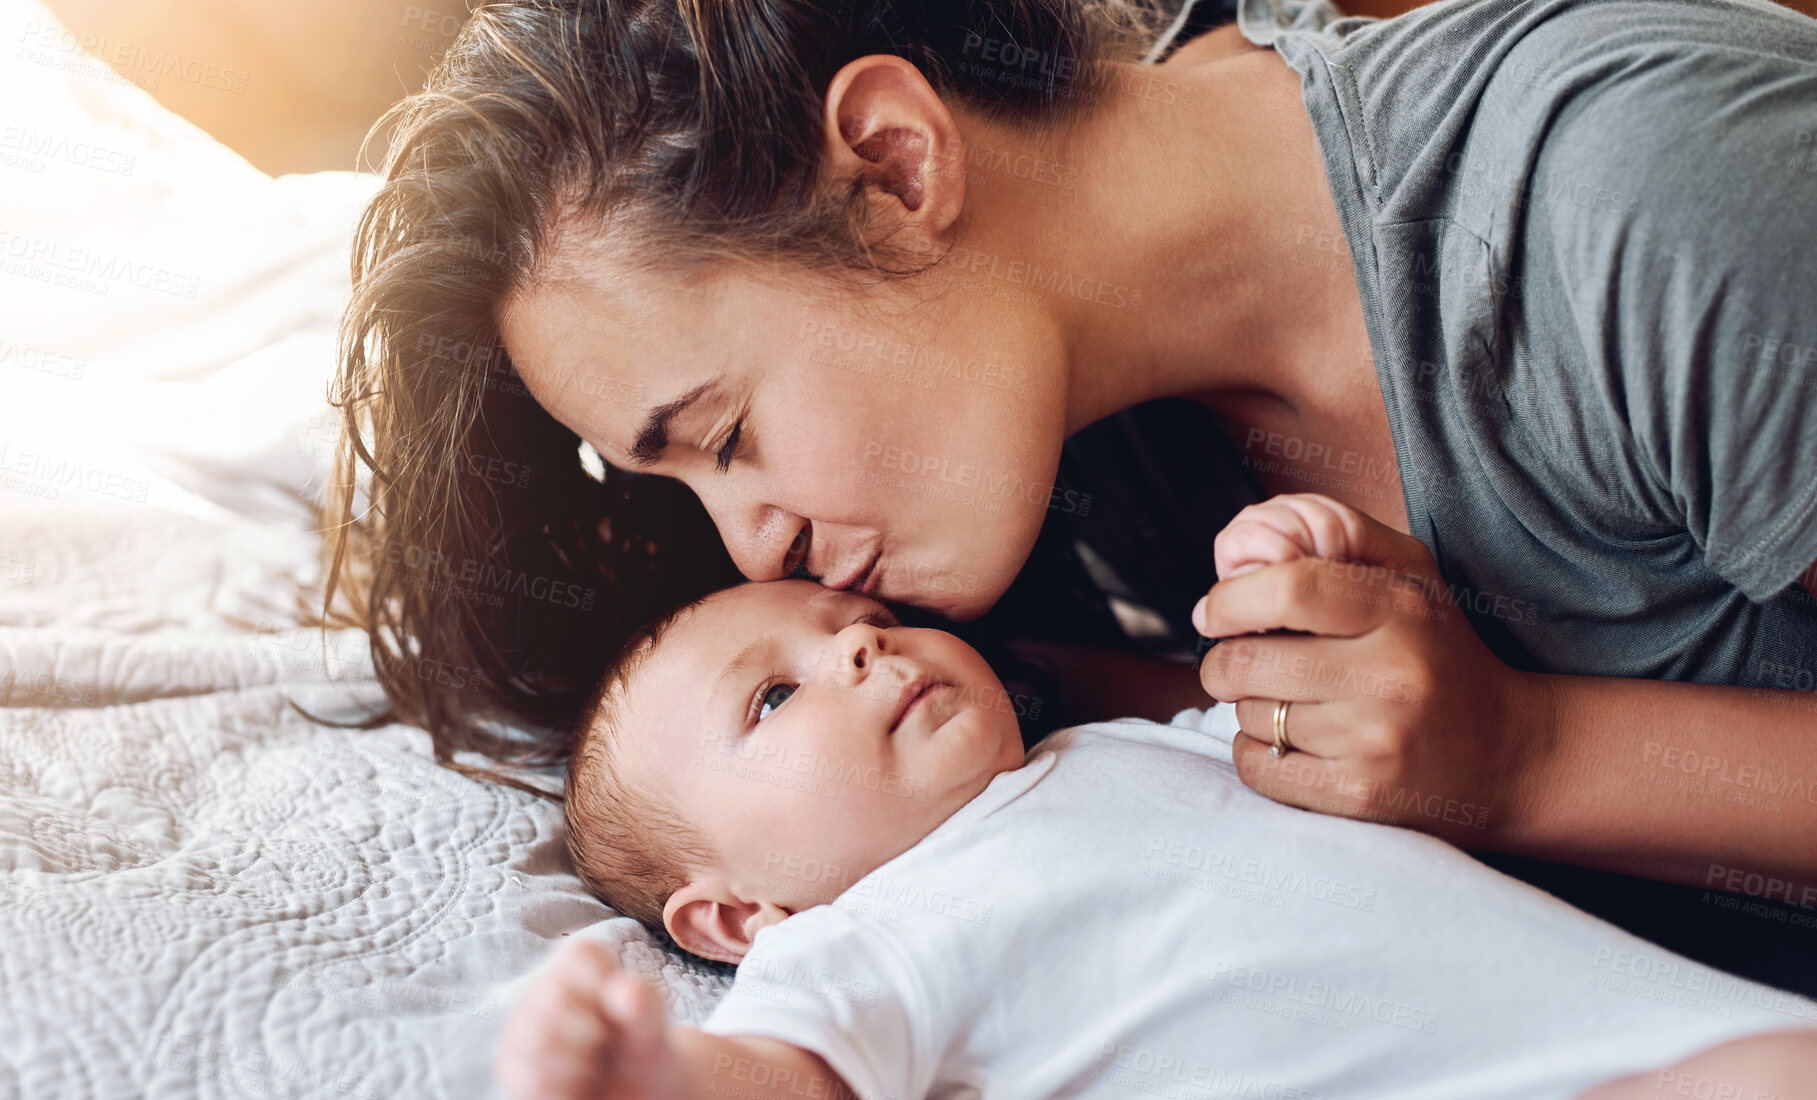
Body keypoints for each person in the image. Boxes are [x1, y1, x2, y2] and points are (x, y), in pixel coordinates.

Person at [326, 0, 1817, 990]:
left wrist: (1529, 754)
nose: (755, 543)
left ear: (896, 171)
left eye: (721, 436)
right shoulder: (1049, 441)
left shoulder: (1642, 203)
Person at [491, 574, 1817, 1100]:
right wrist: (652, 1076)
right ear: (735, 917)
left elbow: (1327, 729)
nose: (856, 645)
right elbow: (790, 1081)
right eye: (773, 696)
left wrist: (1306, 571)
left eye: (857, 616)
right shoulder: (860, 942)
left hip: (1655, 1040)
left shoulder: (1125, 744)